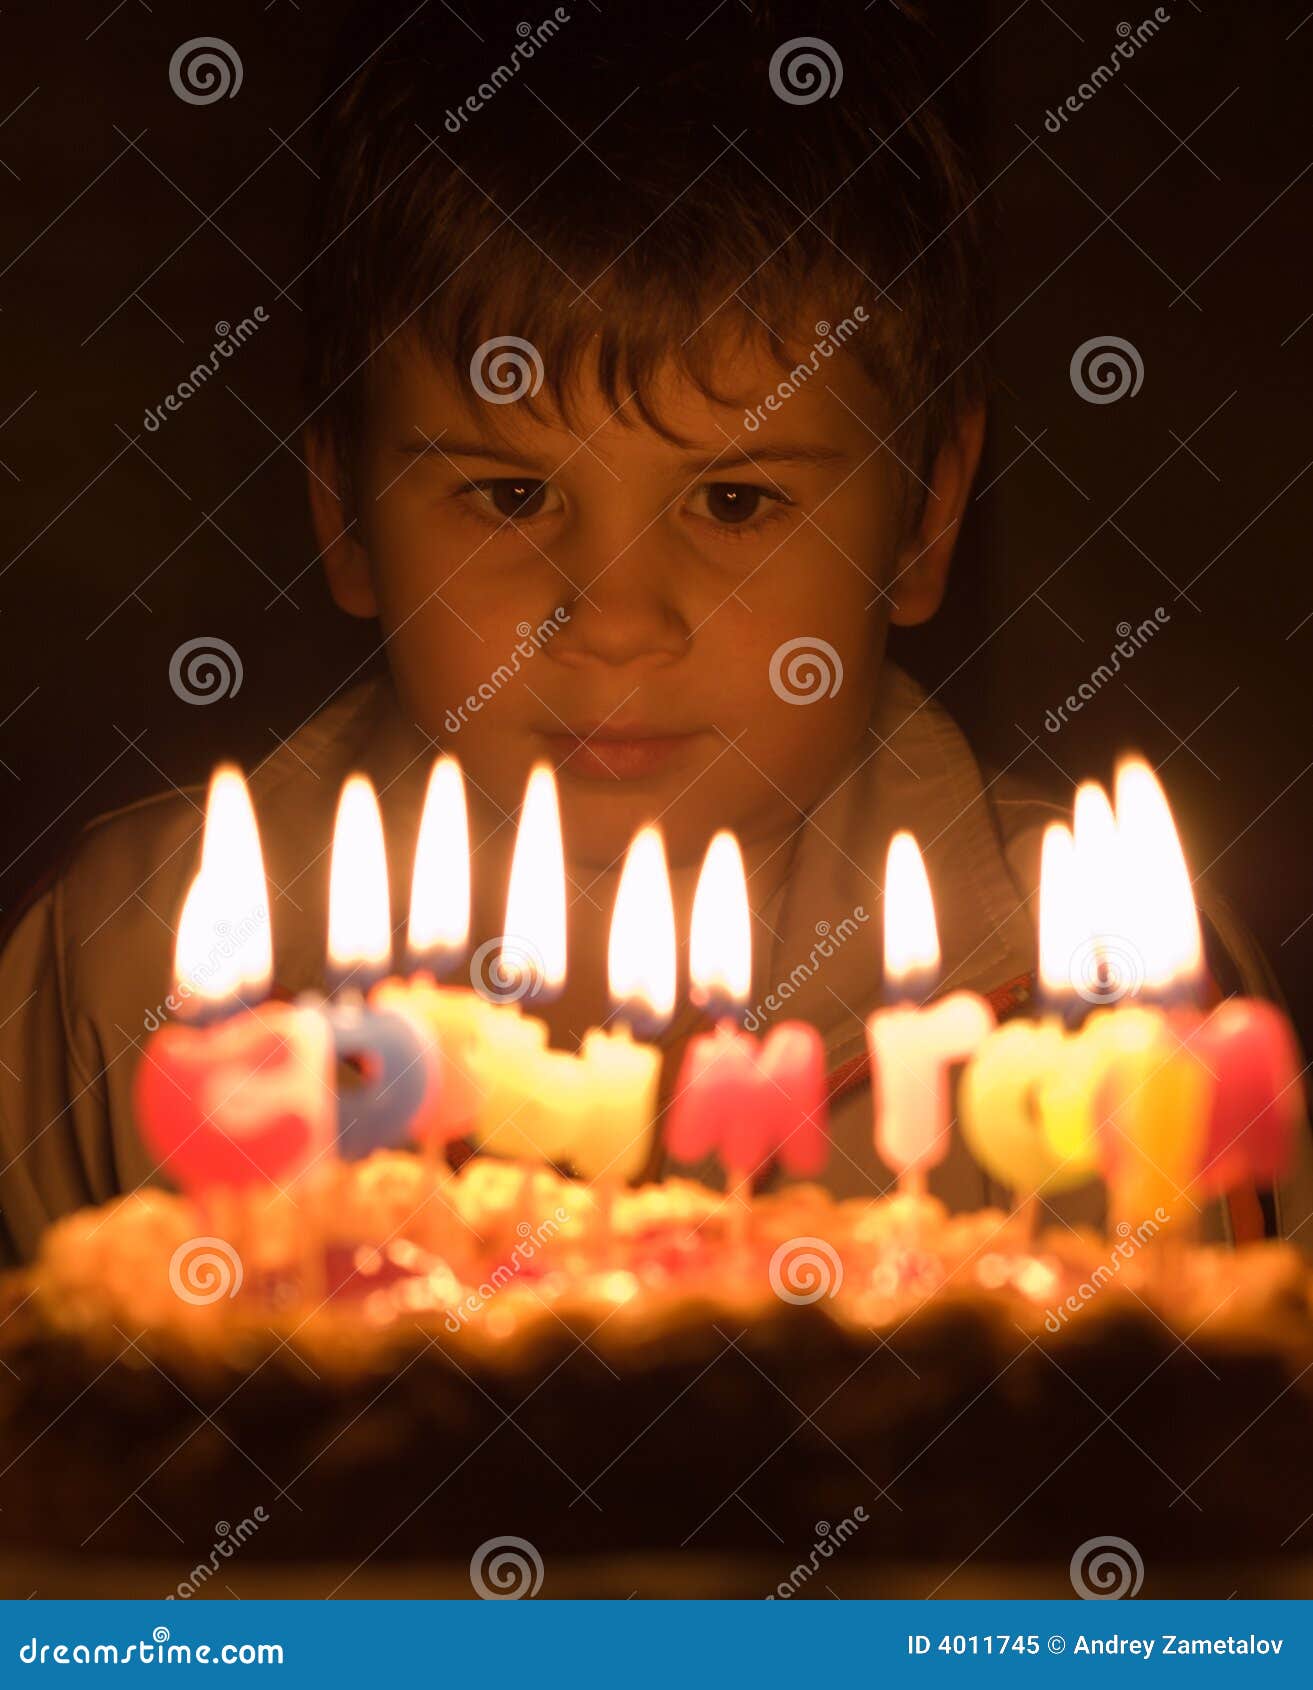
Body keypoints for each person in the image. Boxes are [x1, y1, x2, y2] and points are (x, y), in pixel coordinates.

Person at [0, 1, 1307, 1261]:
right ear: (344, 513)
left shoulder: (1115, 1008)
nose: (615, 621)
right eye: (509, 495)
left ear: (921, 518)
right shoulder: (128, 971)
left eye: (736, 500)